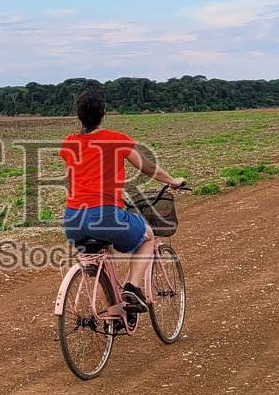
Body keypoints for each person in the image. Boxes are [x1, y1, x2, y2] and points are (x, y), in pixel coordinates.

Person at [59, 86, 186, 311]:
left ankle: (113, 308)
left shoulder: (68, 143)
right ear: (104, 115)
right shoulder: (115, 139)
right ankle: (132, 287)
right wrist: (172, 180)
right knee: (147, 236)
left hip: (73, 220)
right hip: (105, 215)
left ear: (78, 116)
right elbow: (146, 167)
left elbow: (72, 180)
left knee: (100, 256)